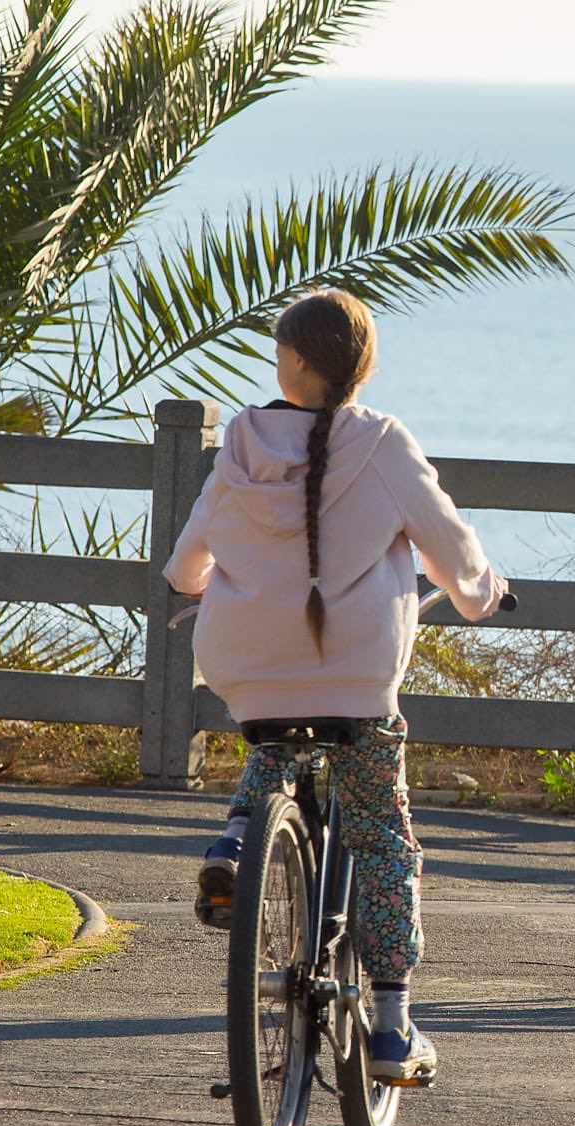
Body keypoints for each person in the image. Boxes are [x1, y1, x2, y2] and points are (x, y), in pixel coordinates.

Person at [163, 289, 509, 1082]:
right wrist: (482, 593)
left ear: (291, 361)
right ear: (361, 366)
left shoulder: (241, 444)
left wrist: (207, 579)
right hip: (354, 677)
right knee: (382, 832)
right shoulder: (383, 442)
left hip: (245, 664)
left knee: (272, 739)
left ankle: (240, 835)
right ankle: (389, 1027)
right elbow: (452, 550)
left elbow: (186, 568)